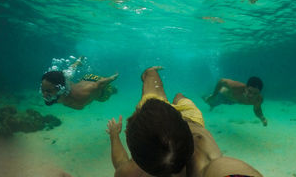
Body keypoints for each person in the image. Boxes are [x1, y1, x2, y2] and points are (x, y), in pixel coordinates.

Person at [106, 66, 263, 177]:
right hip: (192, 120)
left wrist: (114, 135)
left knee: (152, 92)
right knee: (180, 97)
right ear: (187, 134)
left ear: (135, 152)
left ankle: (149, 72)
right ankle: (168, 88)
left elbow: (120, 162)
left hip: (159, 117)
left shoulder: (131, 171)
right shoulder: (209, 165)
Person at [40, 57, 118, 109]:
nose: (44, 94)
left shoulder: (83, 94)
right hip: (83, 80)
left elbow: (99, 84)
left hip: (101, 91)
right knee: (68, 73)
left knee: (112, 90)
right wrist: (77, 62)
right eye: (42, 90)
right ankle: (78, 62)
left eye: (48, 91)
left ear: (61, 89)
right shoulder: (60, 88)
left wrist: (113, 77)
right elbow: (70, 70)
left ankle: (115, 89)